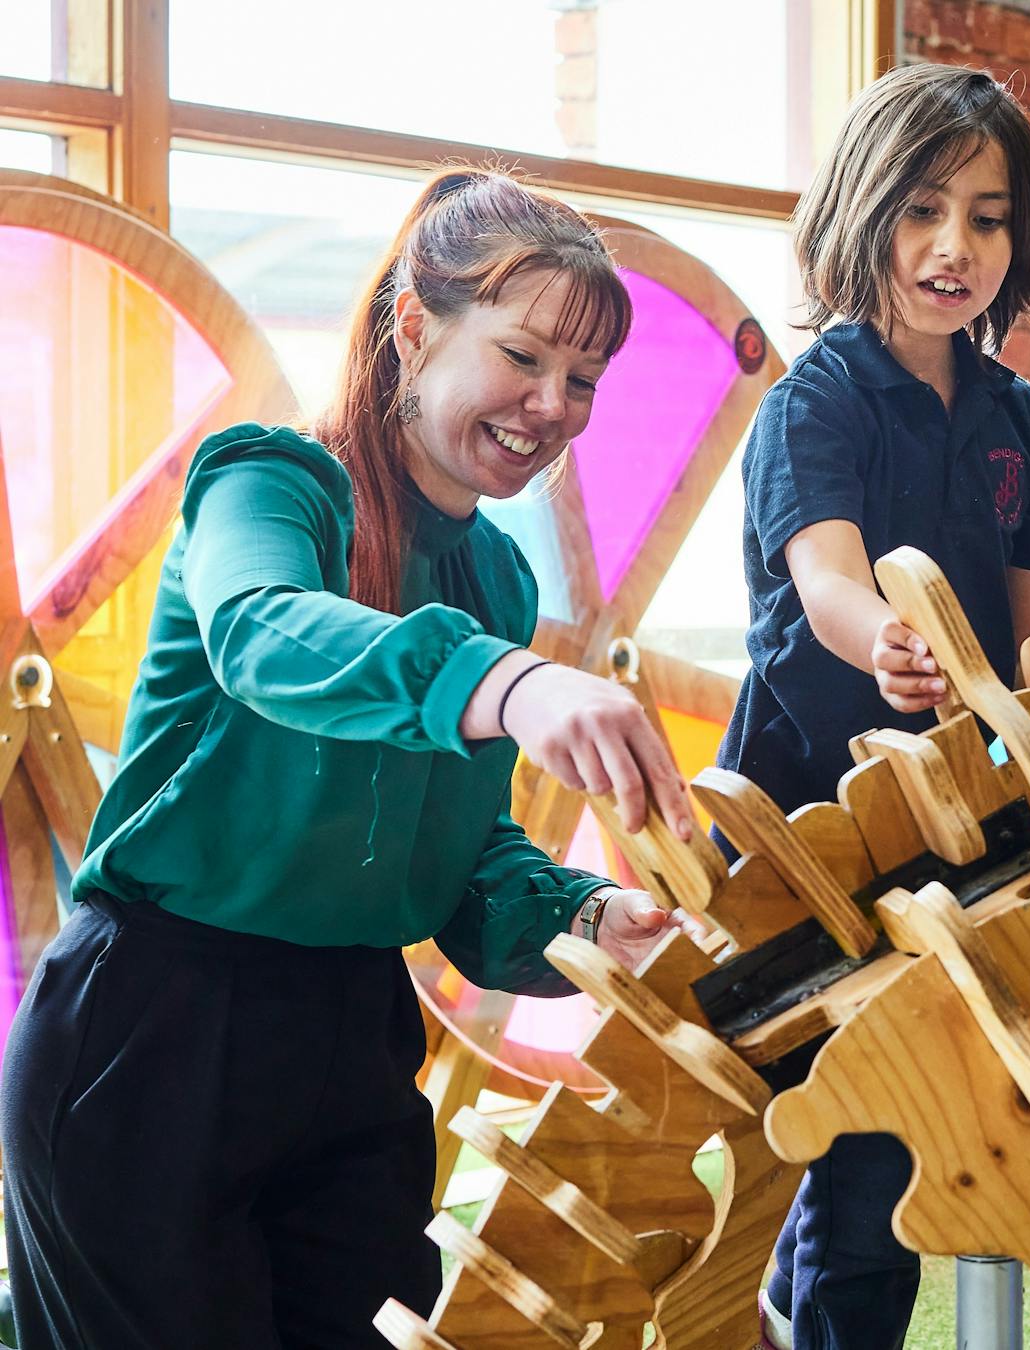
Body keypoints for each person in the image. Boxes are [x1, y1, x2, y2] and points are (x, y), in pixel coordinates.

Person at [0, 168, 698, 1350]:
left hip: (357, 1041)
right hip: (153, 1037)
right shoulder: (270, 482)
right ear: (415, 326)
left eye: (583, 379)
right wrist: (504, 682)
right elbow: (261, 629)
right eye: (523, 356)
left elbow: (457, 854)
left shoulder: (498, 576)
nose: (553, 406)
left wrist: (584, 922)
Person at [717, 64, 1030, 1350]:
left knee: (931, 1137)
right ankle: (797, 1307)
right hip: (816, 819)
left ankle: (799, 1302)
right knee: (851, 1146)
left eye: (987, 217)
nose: (953, 245)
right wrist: (893, 645)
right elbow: (826, 582)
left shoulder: (1022, 422)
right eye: (923, 209)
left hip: (965, 826)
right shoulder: (813, 403)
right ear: (862, 214)